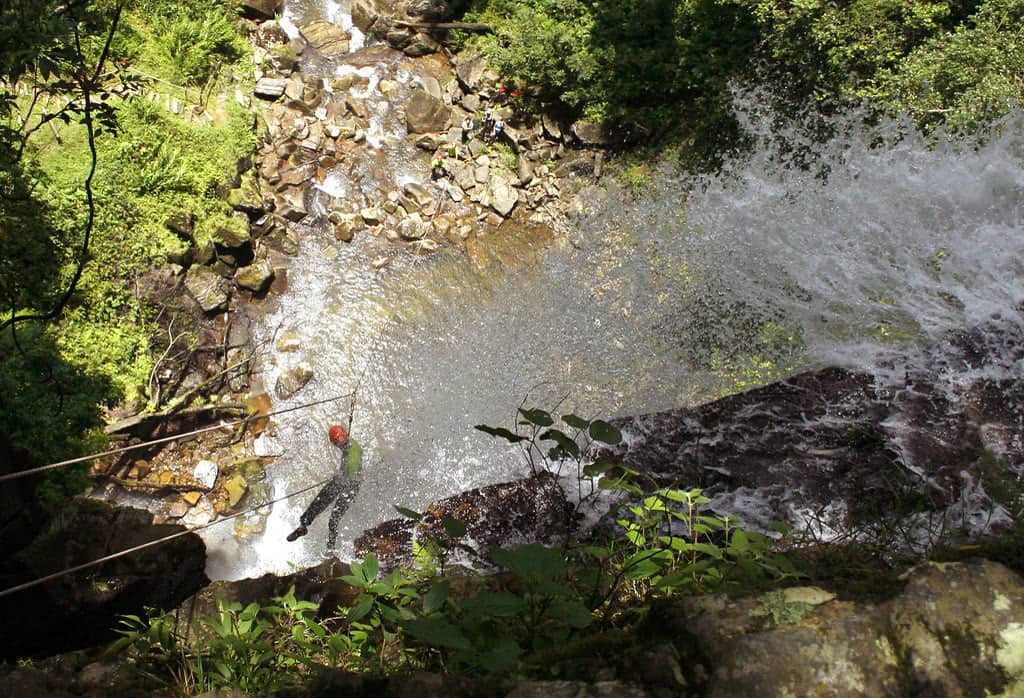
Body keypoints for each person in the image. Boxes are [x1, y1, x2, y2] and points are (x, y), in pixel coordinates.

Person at [286, 424, 363, 549]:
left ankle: (331, 546)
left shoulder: (352, 458)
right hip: (343, 479)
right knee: (320, 500)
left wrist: (341, 479)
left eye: (338, 443)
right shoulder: (351, 444)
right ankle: (303, 526)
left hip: (351, 486)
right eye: (337, 444)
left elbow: (353, 476)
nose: (339, 445)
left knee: (334, 518)